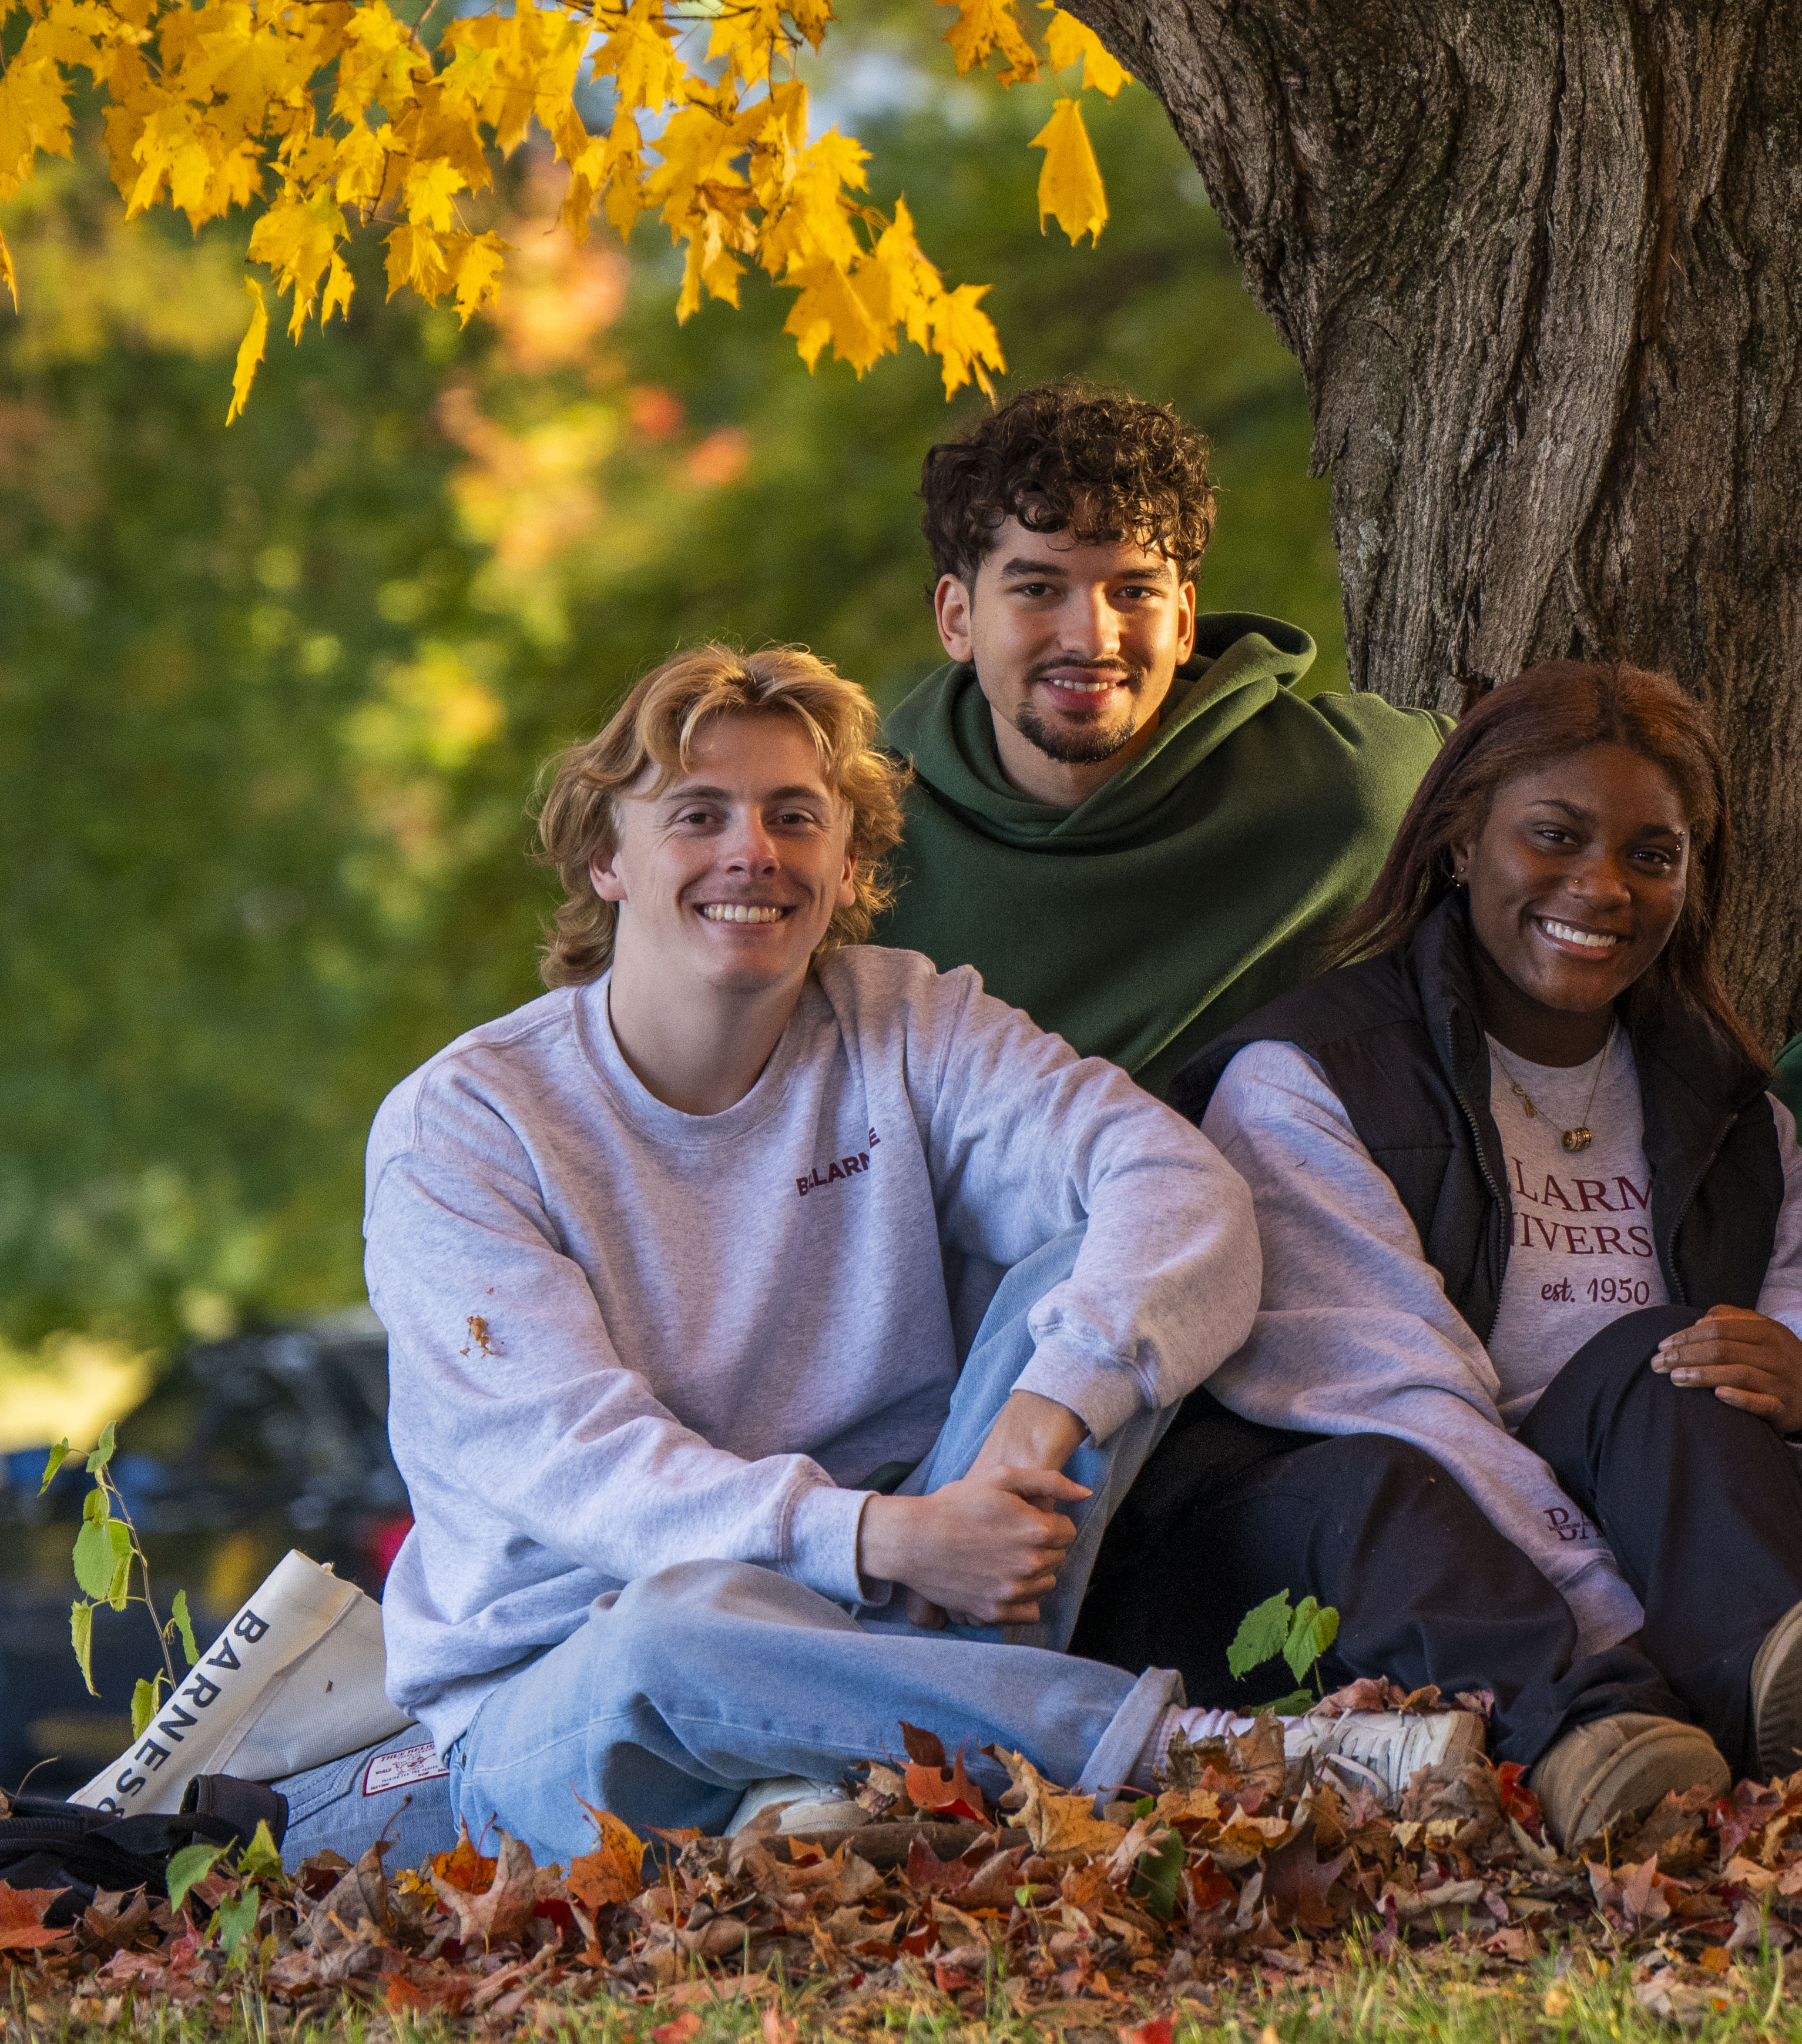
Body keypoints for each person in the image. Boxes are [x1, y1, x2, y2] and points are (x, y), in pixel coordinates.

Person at [359, 645, 1258, 1861]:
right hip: (576, 1690)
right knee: (673, 1636)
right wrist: (881, 1538)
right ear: (605, 860)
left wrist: (1046, 1411)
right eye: (698, 815)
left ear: (846, 861)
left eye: (796, 816)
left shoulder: (907, 1024)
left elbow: (1178, 1190)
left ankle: (846, 1790)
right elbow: (582, 1468)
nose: (755, 851)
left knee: (1087, 1279)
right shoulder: (467, 1125)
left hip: (932, 1602)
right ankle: (1198, 1755)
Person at [1085, 663, 1802, 1853]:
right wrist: (1608, 1619)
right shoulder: (1307, 1079)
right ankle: (1601, 1733)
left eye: (1654, 854)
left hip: (1598, 1523)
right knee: (1387, 1482)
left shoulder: (1722, 1104)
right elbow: (1394, 1399)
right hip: (1312, 1532)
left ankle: (1779, 1695)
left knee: (1673, 1357)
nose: (1604, 886)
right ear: (1456, 842)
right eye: (1555, 835)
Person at [868, 380, 1442, 1089]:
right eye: (1038, 589)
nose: (1092, 637)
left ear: (1185, 621)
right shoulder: (858, 831)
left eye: (1134, 591)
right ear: (956, 618)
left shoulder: (1351, 787)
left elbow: (1540, 775)